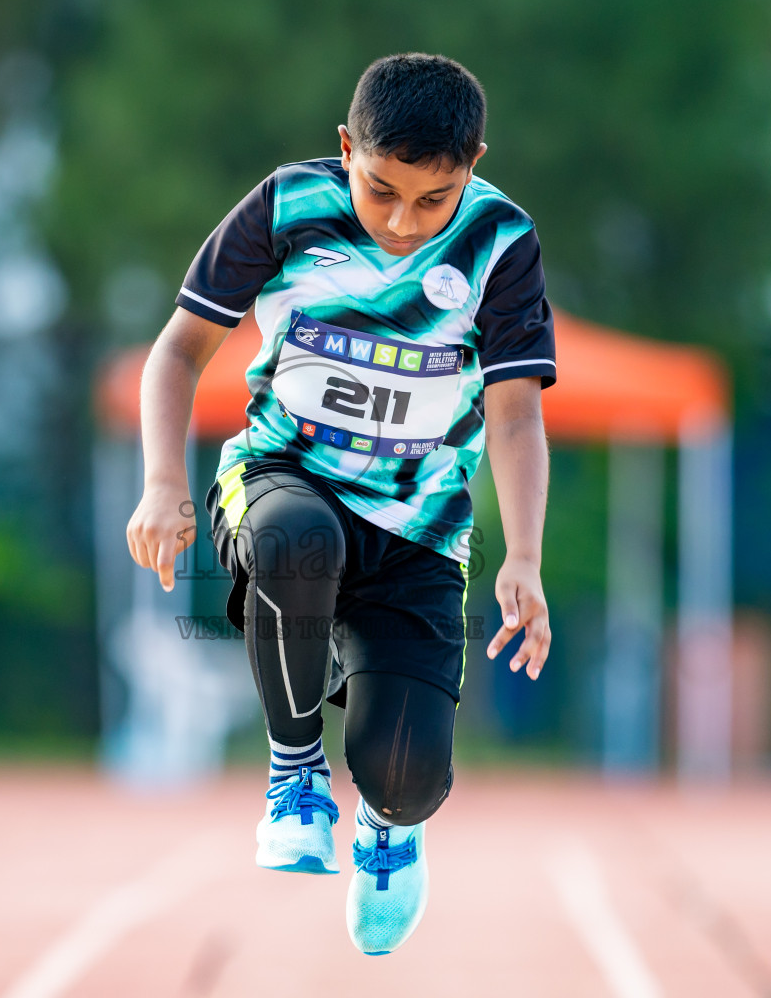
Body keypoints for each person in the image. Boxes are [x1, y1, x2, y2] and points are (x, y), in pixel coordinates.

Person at [125, 52, 553, 956]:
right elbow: (175, 353)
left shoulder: (500, 243)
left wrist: (524, 556)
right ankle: (293, 772)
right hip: (284, 476)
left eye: (431, 199)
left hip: (420, 528)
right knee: (296, 542)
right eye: (381, 190)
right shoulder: (287, 208)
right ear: (347, 148)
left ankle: (389, 833)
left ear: (472, 163)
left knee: (406, 776)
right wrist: (164, 481)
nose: (402, 223)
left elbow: (516, 416)